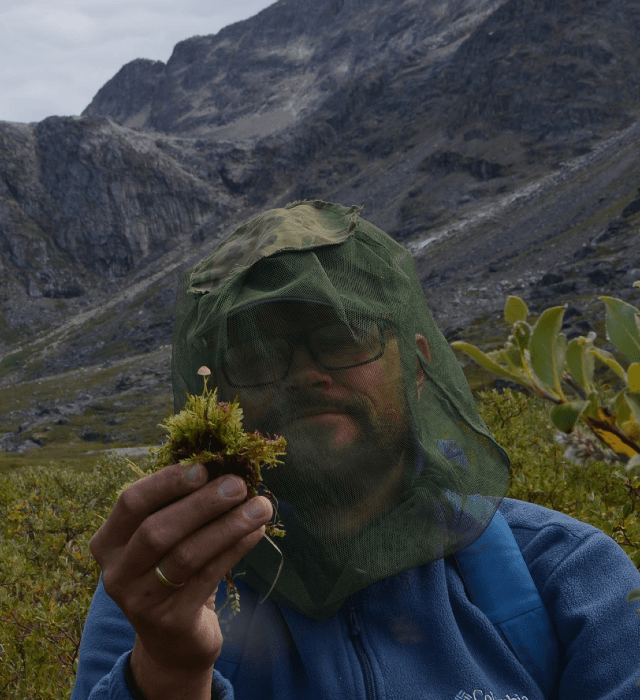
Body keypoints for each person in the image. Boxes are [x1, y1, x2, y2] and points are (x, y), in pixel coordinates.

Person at [70, 200, 640, 700]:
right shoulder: (164, 585)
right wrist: (170, 670)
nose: (305, 374)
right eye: (261, 353)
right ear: (220, 397)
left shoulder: (568, 577)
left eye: (343, 334)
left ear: (417, 364)